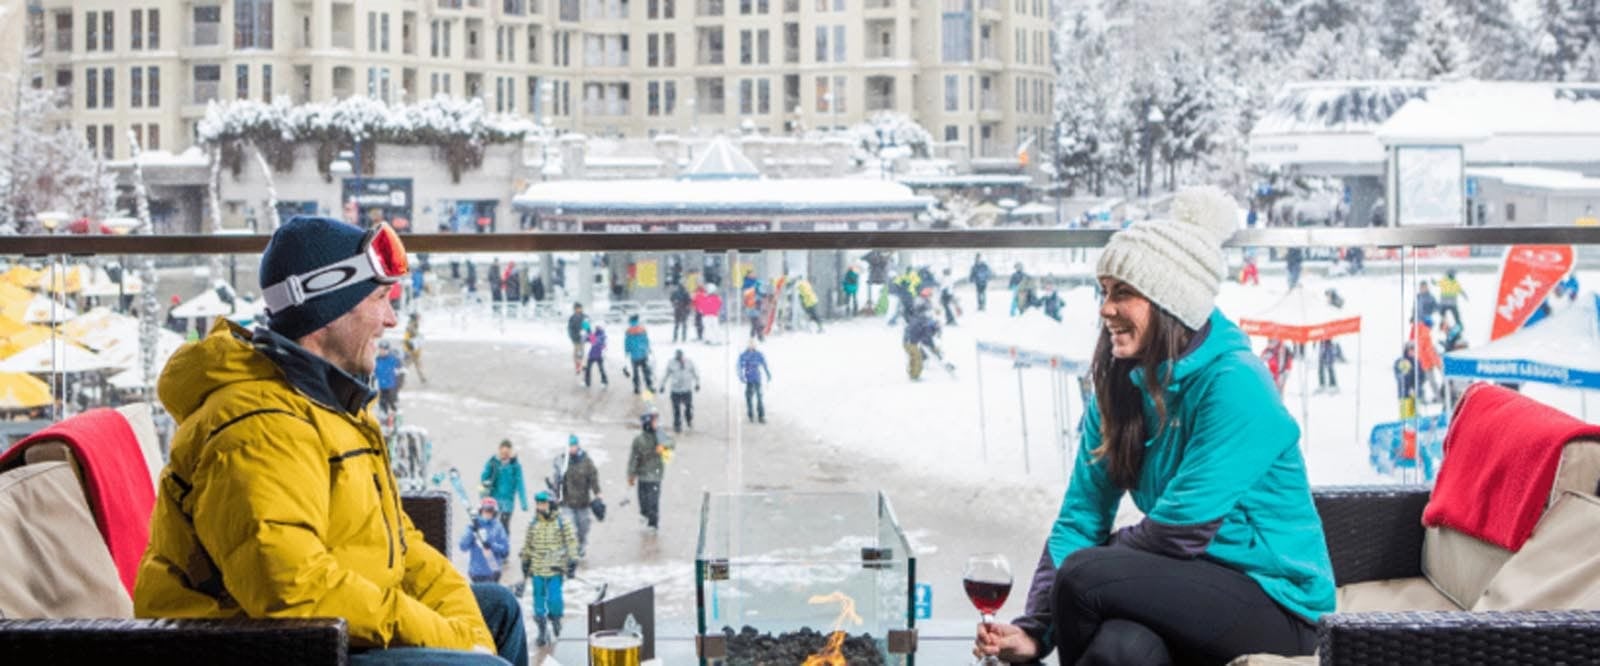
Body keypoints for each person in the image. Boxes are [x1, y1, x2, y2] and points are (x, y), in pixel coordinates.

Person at [135, 216, 526, 666]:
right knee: (483, 665)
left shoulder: (329, 404)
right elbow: (291, 586)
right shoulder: (259, 427)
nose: (391, 318)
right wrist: (456, 642)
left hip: (331, 625)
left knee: (498, 612)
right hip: (268, 648)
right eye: (379, 298)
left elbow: (401, 542)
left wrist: (465, 630)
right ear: (325, 312)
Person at [976, 186, 1333, 665]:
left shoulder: (1236, 383)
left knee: (1083, 577)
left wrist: (1103, 559)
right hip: (1177, 584)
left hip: (1276, 601)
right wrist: (1035, 629)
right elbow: (1081, 515)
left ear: (1172, 302)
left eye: (1122, 292)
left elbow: (1177, 533)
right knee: (1118, 649)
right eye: (1104, 292)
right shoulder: (1122, 386)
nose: (1105, 309)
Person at [519, 491, 578, 648]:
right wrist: (525, 561)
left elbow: (571, 541)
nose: (540, 507)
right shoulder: (533, 524)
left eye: (543, 504)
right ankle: (541, 628)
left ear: (551, 505)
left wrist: (572, 560)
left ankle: (556, 620)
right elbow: (528, 545)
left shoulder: (561, 523)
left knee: (555, 599)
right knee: (538, 601)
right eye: (538, 504)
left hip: (555, 569)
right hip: (537, 570)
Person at [627, 412, 673, 531]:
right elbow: (633, 458)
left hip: (655, 476)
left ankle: (653, 524)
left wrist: (664, 446)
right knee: (643, 502)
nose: (656, 424)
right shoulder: (638, 440)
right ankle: (645, 515)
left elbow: (671, 443)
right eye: (654, 421)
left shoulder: (659, 435)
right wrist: (631, 474)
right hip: (642, 476)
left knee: (653, 501)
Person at [558, 435, 601, 559]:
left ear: (577, 446)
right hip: (567, 502)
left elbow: (593, 477)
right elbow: (557, 480)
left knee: (583, 527)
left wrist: (597, 492)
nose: (571, 449)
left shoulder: (586, 461)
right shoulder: (563, 461)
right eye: (569, 446)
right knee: (569, 527)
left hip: (583, 503)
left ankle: (581, 545)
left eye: (573, 446)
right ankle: (569, 549)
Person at [481, 439, 530, 532]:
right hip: (494, 500)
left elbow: (520, 485)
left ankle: (504, 545)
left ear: (511, 453)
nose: (504, 456)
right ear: (499, 451)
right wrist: (489, 467)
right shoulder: (493, 463)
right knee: (491, 525)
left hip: (508, 502)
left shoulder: (515, 466)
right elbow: (483, 478)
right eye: (502, 453)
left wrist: (523, 502)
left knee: (504, 526)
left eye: (507, 453)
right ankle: (490, 544)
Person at [460, 498, 510, 584]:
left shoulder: (498, 527)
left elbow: (505, 550)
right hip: (476, 573)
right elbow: (463, 546)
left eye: (490, 511)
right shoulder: (473, 527)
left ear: (494, 512)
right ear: (481, 511)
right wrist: (471, 532)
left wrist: (491, 545)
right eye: (485, 510)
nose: (487, 513)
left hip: (493, 572)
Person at [658, 349, 701, 433]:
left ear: (683, 355)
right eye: (677, 356)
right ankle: (677, 425)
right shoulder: (671, 363)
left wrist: (697, 384)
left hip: (686, 390)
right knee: (676, 409)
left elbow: (695, 373)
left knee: (688, 407)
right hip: (675, 391)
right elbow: (665, 375)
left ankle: (689, 420)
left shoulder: (689, 362)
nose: (679, 358)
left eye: (680, 356)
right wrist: (662, 385)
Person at [737, 339, 772, 424]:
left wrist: (768, 373)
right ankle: (750, 414)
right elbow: (739, 366)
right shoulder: (744, 355)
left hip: (757, 379)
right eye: (750, 344)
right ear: (747, 345)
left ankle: (761, 416)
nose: (752, 346)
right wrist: (741, 376)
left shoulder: (758, 354)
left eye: (753, 344)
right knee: (748, 398)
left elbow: (764, 364)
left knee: (759, 397)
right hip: (749, 379)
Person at [623, 314, 654, 394]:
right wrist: (648, 349)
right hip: (643, 353)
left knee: (635, 373)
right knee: (646, 371)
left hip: (634, 356)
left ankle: (637, 387)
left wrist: (627, 351)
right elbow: (646, 340)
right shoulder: (642, 329)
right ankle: (649, 386)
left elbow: (627, 342)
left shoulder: (628, 330)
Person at [374, 340, 402, 418]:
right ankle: (384, 421)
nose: (382, 351)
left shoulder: (393, 359)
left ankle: (396, 422)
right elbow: (374, 373)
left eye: (384, 349)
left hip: (391, 387)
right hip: (381, 387)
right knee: (382, 405)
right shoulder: (377, 360)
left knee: (394, 405)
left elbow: (400, 368)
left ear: (388, 350)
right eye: (380, 349)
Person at [1395, 342, 1419, 419]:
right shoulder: (1401, 362)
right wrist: (1409, 387)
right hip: (1405, 395)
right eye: (1411, 349)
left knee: (1416, 415)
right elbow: (1401, 377)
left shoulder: (1416, 361)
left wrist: (1417, 387)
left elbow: (1421, 376)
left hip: (1416, 394)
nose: (1413, 352)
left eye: (1414, 350)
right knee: (1405, 416)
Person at [404, 312, 427, 384]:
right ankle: (400, 378)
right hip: (411, 350)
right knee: (406, 365)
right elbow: (409, 338)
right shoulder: (411, 326)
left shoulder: (413, 325)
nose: (419, 319)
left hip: (413, 350)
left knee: (414, 365)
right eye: (418, 317)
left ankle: (423, 378)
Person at [567, 303, 589, 376]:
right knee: (576, 353)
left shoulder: (585, 317)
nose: (579, 309)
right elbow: (570, 328)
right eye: (578, 308)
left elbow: (588, 328)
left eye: (580, 308)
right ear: (575, 309)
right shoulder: (572, 318)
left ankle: (582, 365)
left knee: (581, 352)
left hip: (582, 338)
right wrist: (572, 336)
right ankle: (578, 366)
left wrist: (592, 339)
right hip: (576, 338)